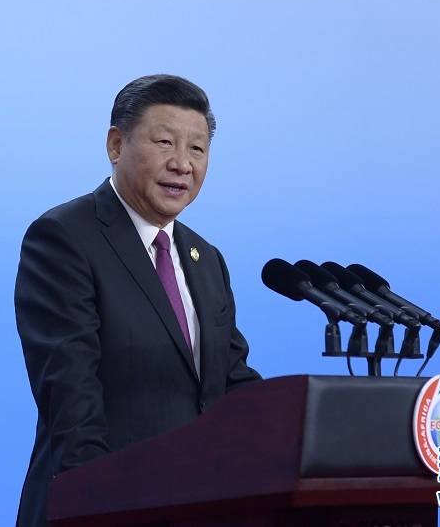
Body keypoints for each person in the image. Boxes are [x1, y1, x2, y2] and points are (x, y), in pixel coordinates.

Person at [14, 74, 261, 527]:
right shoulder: (65, 239)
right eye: (165, 142)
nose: (182, 164)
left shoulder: (206, 259)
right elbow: (72, 400)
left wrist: (295, 430)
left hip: (198, 506)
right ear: (115, 145)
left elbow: (229, 383)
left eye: (197, 149)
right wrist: (101, 503)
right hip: (104, 507)